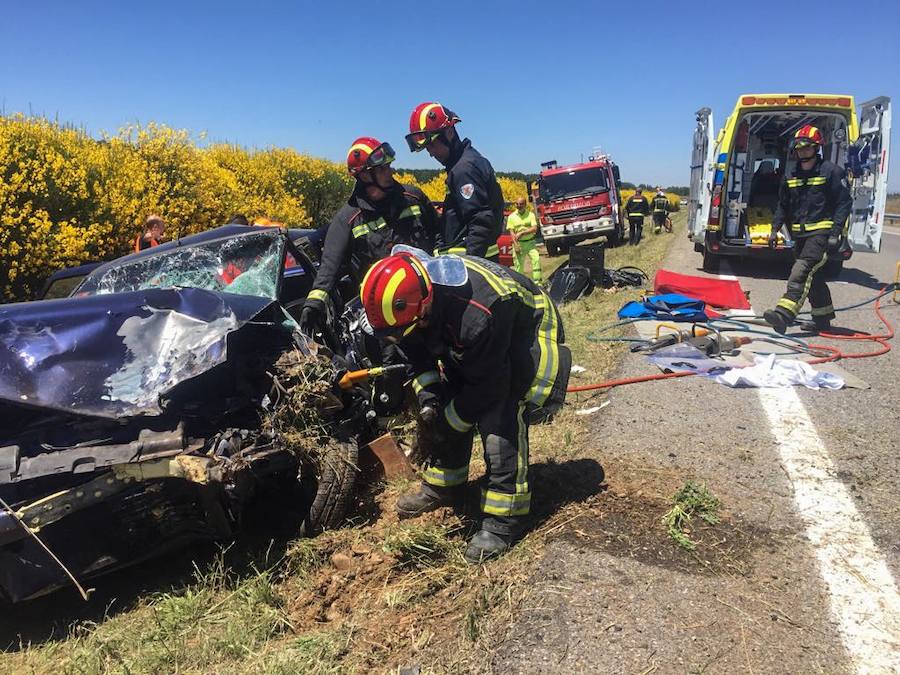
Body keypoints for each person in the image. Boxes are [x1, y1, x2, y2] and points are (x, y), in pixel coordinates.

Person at [359, 248, 571, 563]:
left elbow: (488, 388)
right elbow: (417, 352)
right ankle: (445, 486)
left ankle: (504, 520)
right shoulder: (412, 303)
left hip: (526, 332)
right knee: (449, 400)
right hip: (475, 338)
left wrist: (449, 421)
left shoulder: (478, 315)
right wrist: (431, 399)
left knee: (499, 412)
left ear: (426, 303)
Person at [299, 137, 439, 336]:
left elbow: (440, 236)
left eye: (389, 166)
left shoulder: (414, 199)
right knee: (397, 365)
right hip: (387, 316)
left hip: (427, 306)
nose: (390, 172)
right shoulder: (347, 219)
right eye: (383, 169)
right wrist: (314, 304)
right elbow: (330, 267)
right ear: (365, 175)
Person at [763, 125, 851, 334]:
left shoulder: (831, 172)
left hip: (821, 235)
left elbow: (844, 203)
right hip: (799, 235)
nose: (802, 151)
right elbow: (782, 206)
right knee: (815, 278)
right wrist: (775, 229)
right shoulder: (791, 176)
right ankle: (822, 319)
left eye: (807, 147)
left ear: (816, 147)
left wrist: (836, 232)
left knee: (801, 271)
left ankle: (784, 314)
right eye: (799, 147)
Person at [405, 102, 504, 261]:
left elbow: (480, 221)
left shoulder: (463, 169)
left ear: (449, 132)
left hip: (469, 269)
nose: (431, 153)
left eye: (432, 145)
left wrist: (472, 264)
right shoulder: (465, 163)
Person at [506, 197, 543, 283]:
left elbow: (534, 228)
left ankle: (538, 283)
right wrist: (515, 244)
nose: (518, 206)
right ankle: (520, 284)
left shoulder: (530, 215)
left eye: (521, 204)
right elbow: (511, 232)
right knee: (519, 266)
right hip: (519, 244)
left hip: (530, 243)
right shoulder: (511, 217)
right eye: (517, 204)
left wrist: (522, 233)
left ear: (525, 205)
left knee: (536, 259)